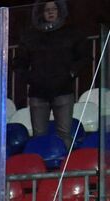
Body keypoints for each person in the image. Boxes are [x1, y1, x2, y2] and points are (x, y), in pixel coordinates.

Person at [13, 1, 83, 147]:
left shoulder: (71, 33)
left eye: (54, 9)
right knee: (39, 136)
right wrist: (31, 78)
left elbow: (84, 57)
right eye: (47, 10)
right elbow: (19, 62)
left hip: (63, 90)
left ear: (60, 11)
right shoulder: (30, 36)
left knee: (64, 135)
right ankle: (41, 166)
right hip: (38, 93)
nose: (51, 12)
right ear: (41, 12)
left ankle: (65, 166)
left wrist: (70, 73)